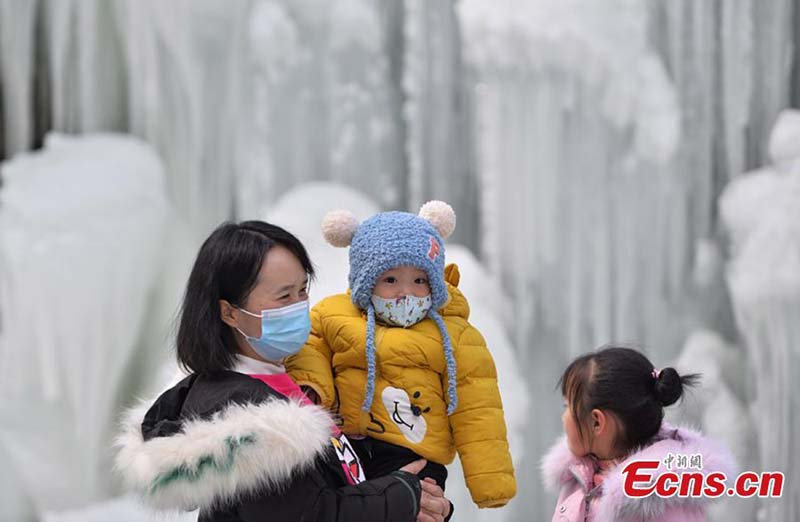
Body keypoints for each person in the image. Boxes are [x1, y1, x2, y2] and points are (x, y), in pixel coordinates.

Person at [115, 221, 451, 522]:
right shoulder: (241, 415)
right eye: (283, 296)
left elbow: (338, 479)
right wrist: (403, 497)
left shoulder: (290, 380)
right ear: (230, 313)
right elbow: (307, 515)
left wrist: (420, 493)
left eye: (302, 290)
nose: (299, 305)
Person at [286, 201, 516, 510]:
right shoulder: (333, 315)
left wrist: (491, 482)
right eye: (391, 280)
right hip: (349, 446)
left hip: (416, 455)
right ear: (365, 282)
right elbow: (310, 349)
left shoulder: (456, 334)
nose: (405, 292)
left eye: (419, 281)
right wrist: (312, 391)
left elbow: (479, 409)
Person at [541, 346, 736, 521]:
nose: (563, 416)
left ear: (596, 422)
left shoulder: (662, 498)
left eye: (567, 406)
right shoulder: (581, 476)